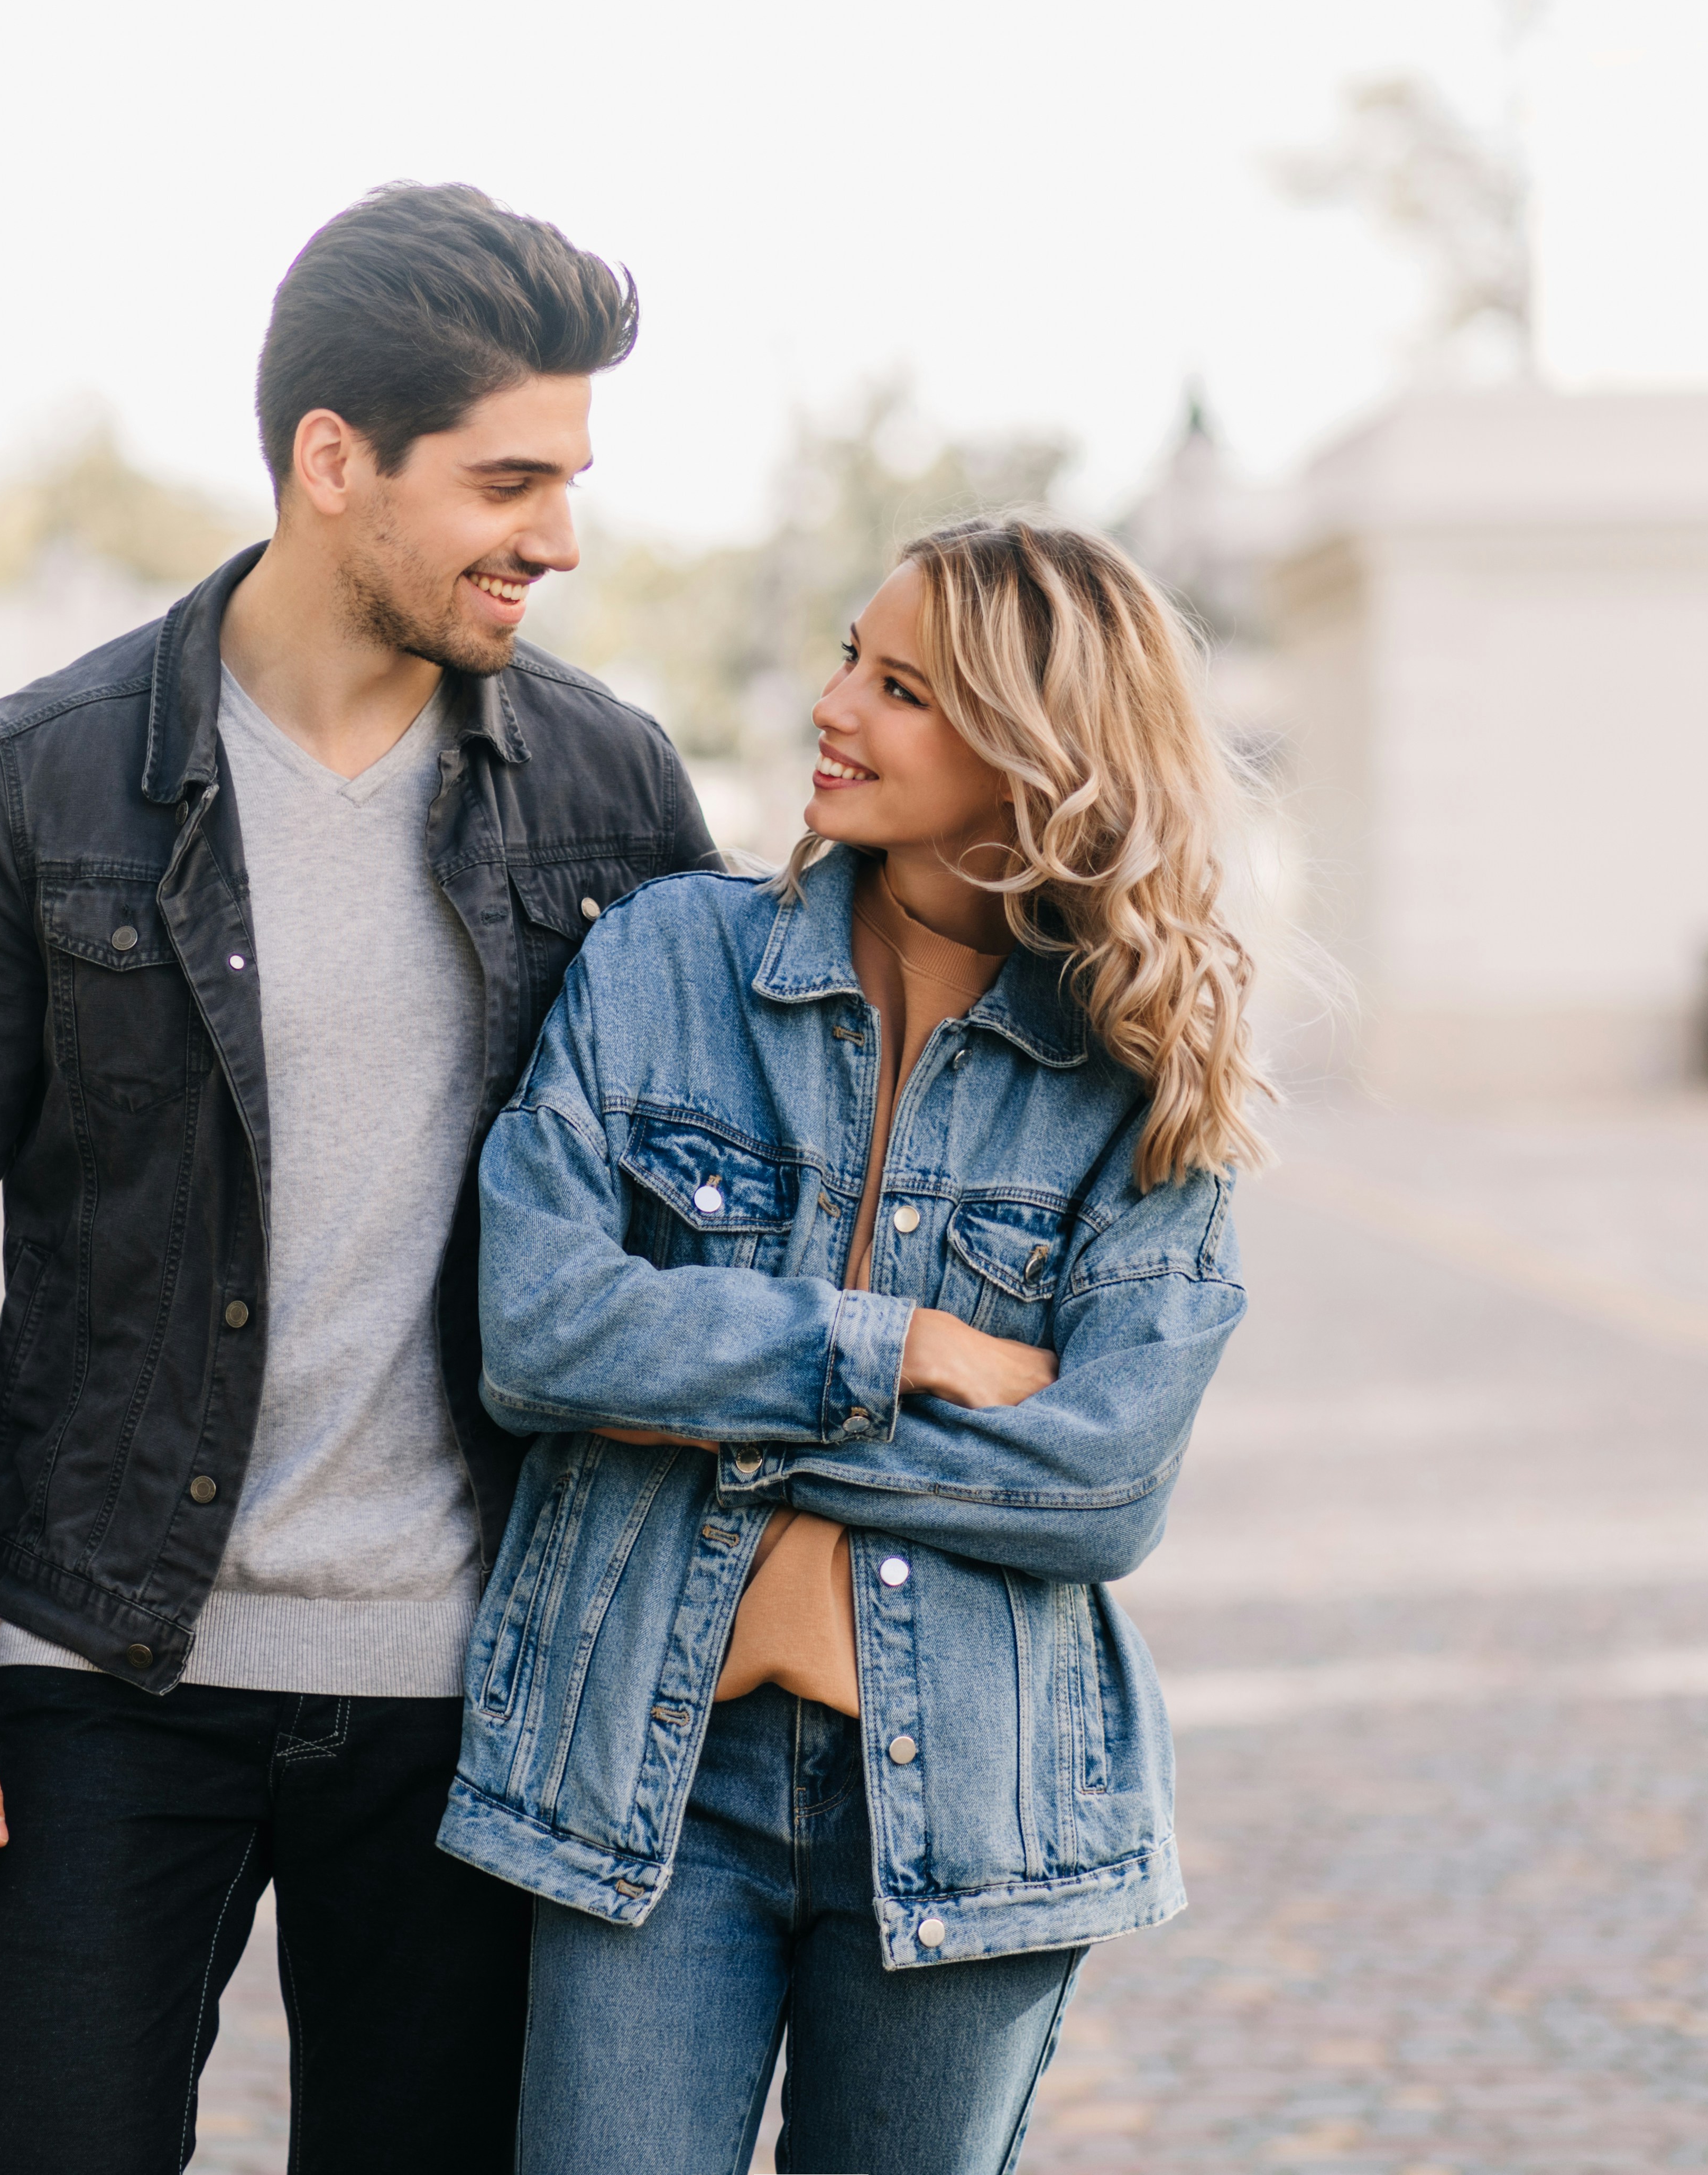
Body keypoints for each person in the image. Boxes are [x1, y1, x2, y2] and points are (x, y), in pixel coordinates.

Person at [0, 182, 715, 2175]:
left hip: (482, 1691)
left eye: (570, 478)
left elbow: (726, 1196)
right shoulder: (38, 782)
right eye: (509, 478)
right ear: (332, 462)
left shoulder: (609, 788)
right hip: (114, 1673)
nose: (559, 535)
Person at [439, 518, 1269, 2175]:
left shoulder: (1133, 1079)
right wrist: (897, 1345)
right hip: (653, 1789)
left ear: (1035, 756)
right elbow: (536, 1334)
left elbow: (1104, 1484)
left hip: (976, 1808)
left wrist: (702, 1399)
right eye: (847, 659)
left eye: (902, 689)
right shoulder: (667, 964)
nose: (836, 707)